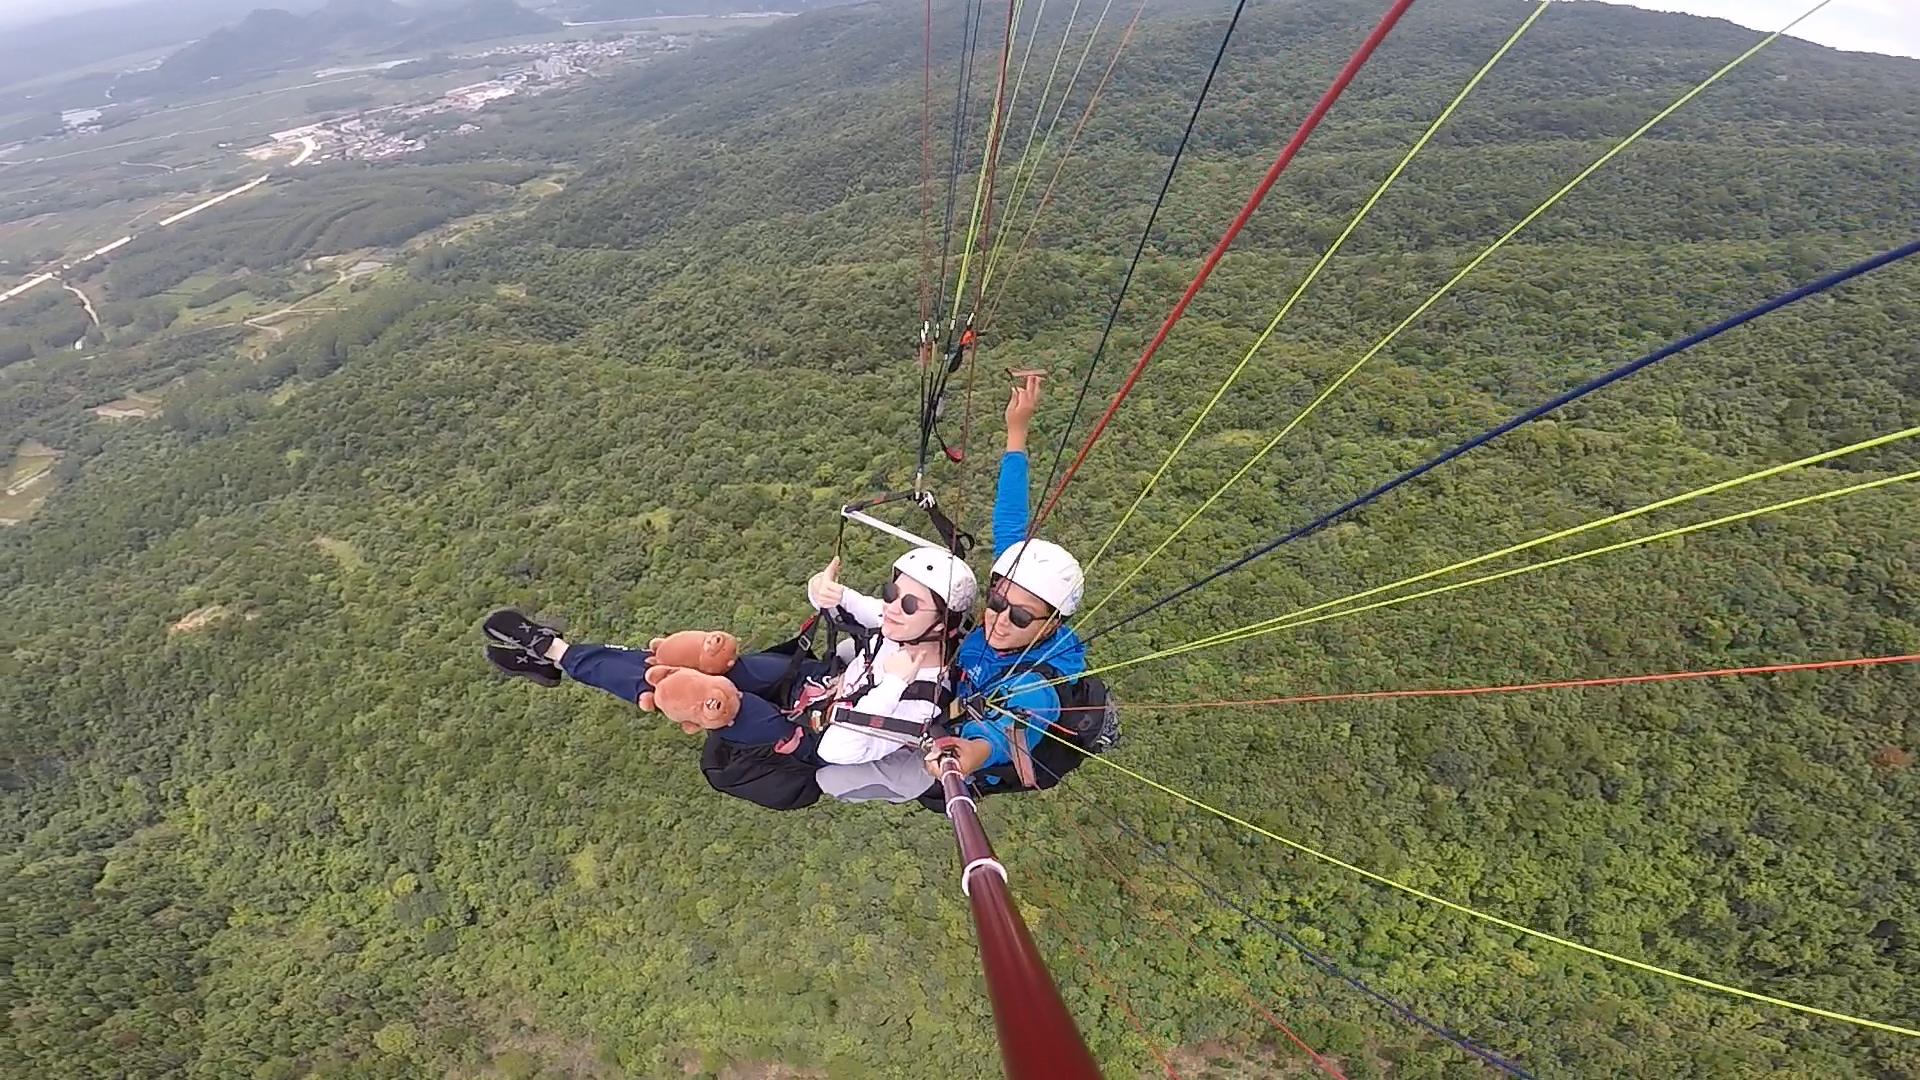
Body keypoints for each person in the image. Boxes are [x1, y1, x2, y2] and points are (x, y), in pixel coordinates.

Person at [482, 547, 977, 801]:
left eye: (907, 603)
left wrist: (890, 683)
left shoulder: (920, 693)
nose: (891, 605)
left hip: (800, 735)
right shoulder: (908, 631)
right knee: (695, 657)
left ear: (941, 621)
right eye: (892, 590)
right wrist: (829, 593)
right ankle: (560, 654)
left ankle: (553, 652)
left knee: (690, 689)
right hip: (812, 685)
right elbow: (864, 609)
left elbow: (840, 750)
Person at [814, 372, 1091, 805]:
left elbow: (1019, 720)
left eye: (1019, 616)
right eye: (997, 601)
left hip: (956, 749)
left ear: (1052, 623)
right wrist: (1017, 432)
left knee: (831, 779)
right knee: (852, 653)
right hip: (951, 678)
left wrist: (971, 753)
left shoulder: (1038, 681)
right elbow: (1011, 519)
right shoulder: (1017, 595)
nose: (999, 617)